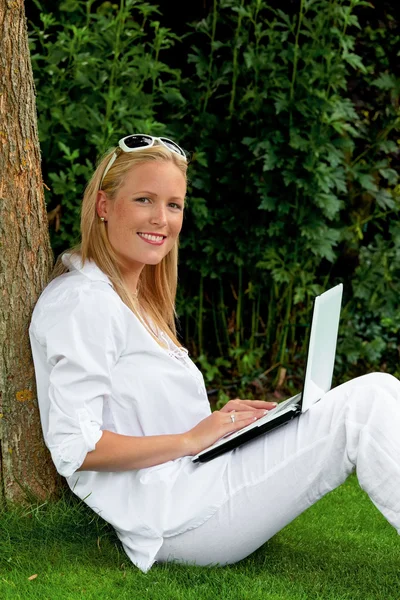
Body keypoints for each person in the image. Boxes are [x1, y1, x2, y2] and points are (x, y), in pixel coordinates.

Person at [29, 134, 400, 573]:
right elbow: (76, 448)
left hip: (196, 479)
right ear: (104, 207)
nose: (161, 219)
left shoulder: (133, 297)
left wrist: (222, 427)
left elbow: (144, 413)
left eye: (173, 204)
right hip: (176, 516)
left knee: (380, 388)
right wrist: (192, 439)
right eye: (144, 199)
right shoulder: (83, 302)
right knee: (367, 403)